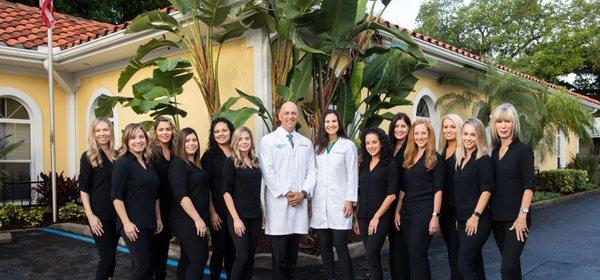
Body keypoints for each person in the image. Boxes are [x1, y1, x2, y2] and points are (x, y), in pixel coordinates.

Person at [259, 101, 316, 280]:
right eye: (286, 113)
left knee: (292, 256)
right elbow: (267, 170)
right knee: (280, 257)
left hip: (299, 202)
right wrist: (286, 193)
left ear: (297, 117)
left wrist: (303, 193)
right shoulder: (268, 141)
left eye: (293, 113)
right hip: (279, 204)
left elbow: (312, 171)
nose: (290, 116)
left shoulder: (306, 143)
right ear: (279, 116)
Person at [311, 109, 358, 280]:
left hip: (340, 203)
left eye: (334, 121)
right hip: (320, 203)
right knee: (324, 245)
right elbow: (312, 174)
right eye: (327, 122)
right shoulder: (317, 147)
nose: (331, 125)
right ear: (323, 125)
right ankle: (330, 277)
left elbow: (352, 174)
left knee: (340, 244)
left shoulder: (348, 145)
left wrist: (350, 200)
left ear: (339, 124)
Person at [489, 103, 534, 280]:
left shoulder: (523, 150)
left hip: (517, 220)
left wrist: (522, 216)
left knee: (506, 269)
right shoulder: (494, 152)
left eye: (507, 121)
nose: (503, 126)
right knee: (513, 267)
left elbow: (528, 186)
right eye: (499, 121)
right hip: (496, 219)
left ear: (514, 124)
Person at [112, 123, 162, 280]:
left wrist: (158, 218)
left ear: (146, 139)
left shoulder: (148, 163)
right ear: (126, 141)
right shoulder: (123, 164)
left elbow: (155, 195)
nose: (138, 141)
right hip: (132, 222)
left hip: (149, 221)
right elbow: (116, 197)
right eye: (133, 138)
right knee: (143, 265)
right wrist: (126, 223)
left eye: (141, 137)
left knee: (148, 267)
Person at [399, 120, 444, 280]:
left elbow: (439, 190)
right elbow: (403, 189)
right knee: (412, 254)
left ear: (429, 135)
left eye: (423, 133)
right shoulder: (409, 157)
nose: (420, 137)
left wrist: (435, 216)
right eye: (416, 133)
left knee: (418, 253)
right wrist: (397, 211)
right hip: (407, 212)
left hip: (424, 211)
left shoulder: (435, 158)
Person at [354, 127, 398, 280]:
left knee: (372, 254)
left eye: (374, 142)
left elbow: (392, 195)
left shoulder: (390, 165)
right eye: (367, 143)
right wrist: (357, 217)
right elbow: (360, 192)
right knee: (372, 258)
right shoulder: (363, 165)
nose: (371, 146)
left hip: (380, 218)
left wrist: (376, 217)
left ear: (381, 143)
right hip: (363, 216)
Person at [79, 117, 119, 280]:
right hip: (99, 215)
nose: (102, 134)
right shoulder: (89, 156)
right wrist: (91, 216)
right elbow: (84, 189)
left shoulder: (117, 155)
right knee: (107, 257)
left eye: (105, 129)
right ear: (93, 134)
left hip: (116, 214)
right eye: (98, 130)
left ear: (111, 131)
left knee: (112, 258)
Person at [168, 128, 210, 280]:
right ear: (181, 144)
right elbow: (181, 196)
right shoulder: (178, 164)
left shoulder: (197, 164)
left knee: (187, 258)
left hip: (196, 217)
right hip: (185, 218)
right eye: (187, 141)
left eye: (194, 140)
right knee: (199, 259)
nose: (192, 143)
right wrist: (197, 219)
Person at [454, 118, 493, 280]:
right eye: (465, 134)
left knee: (464, 264)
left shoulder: (483, 160)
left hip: (478, 219)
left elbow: (487, 190)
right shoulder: (461, 159)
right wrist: (460, 218)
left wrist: (475, 216)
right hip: (463, 219)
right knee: (475, 263)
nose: (468, 138)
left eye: (473, 134)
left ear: (480, 137)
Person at [222, 127, 263, 280]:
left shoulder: (255, 161)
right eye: (241, 139)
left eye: (247, 138)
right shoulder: (230, 161)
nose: (244, 142)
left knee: (251, 256)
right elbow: (226, 192)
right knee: (243, 255)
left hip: (255, 215)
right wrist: (236, 219)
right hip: (239, 216)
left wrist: (261, 208)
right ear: (235, 142)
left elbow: (253, 188)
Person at [201, 118, 236, 280]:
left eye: (224, 130)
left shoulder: (239, 153)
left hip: (237, 209)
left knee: (233, 249)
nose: (221, 134)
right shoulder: (209, 157)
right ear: (212, 135)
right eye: (217, 131)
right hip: (218, 210)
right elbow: (205, 187)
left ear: (231, 131)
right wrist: (212, 212)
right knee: (220, 248)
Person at [148, 116, 178, 280]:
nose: (165, 132)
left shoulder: (174, 152)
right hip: (154, 207)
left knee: (163, 250)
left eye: (168, 129)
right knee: (152, 252)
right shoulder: (151, 152)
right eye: (161, 129)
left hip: (170, 208)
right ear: (155, 132)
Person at [438, 114, 464, 280]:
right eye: (445, 126)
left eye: (452, 126)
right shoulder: (441, 152)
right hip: (444, 211)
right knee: (451, 253)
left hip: (459, 210)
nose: (448, 130)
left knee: (458, 255)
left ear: (459, 128)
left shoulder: (464, 152)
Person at [389, 113, 412, 280]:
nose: (399, 129)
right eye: (396, 126)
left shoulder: (412, 149)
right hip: (388, 202)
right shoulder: (388, 147)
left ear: (409, 128)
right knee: (393, 247)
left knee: (402, 248)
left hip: (404, 203)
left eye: (403, 126)